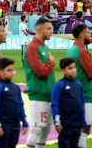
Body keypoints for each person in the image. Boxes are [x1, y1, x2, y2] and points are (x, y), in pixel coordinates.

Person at [24, 18, 55, 148]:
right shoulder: (32, 48)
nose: (52, 31)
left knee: (45, 131)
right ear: (39, 30)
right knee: (36, 129)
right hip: (38, 95)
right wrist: (51, 62)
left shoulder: (44, 47)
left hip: (48, 95)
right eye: (48, 28)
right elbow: (40, 71)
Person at [66, 24, 92, 148]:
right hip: (85, 94)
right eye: (88, 32)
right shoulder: (82, 52)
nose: (90, 35)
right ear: (81, 35)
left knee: (78, 128)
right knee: (85, 128)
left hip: (74, 93)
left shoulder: (71, 50)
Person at [0, 58, 28, 148]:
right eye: (9, 70)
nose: (12, 73)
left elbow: (20, 105)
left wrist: (24, 121)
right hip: (4, 125)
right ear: (1, 72)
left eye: (13, 70)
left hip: (15, 125)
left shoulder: (16, 87)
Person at [51, 57, 86, 148]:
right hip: (65, 124)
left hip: (77, 124)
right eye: (70, 68)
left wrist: (83, 121)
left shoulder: (79, 85)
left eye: (74, 67)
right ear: (63, 70)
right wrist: (57, 122)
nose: (73, 70)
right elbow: (54, 104)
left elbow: (81, 104)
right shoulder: (59, 85)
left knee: (75, 145)